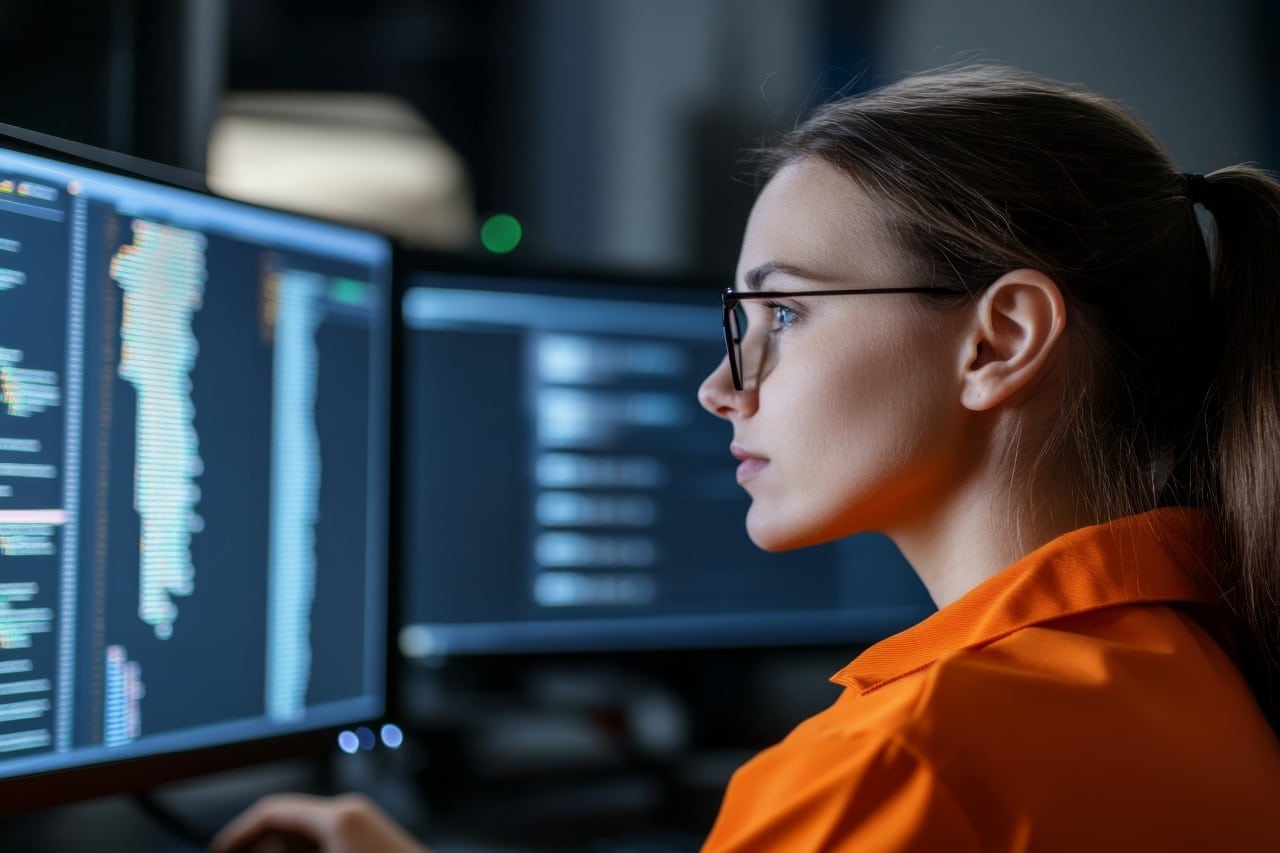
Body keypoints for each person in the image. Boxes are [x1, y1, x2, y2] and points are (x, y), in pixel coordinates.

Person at [211, 64, 1280, 852]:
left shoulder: (899, 768)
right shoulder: (1198, 671)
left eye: (782, 311)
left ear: (997, 340)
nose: (721, 386)